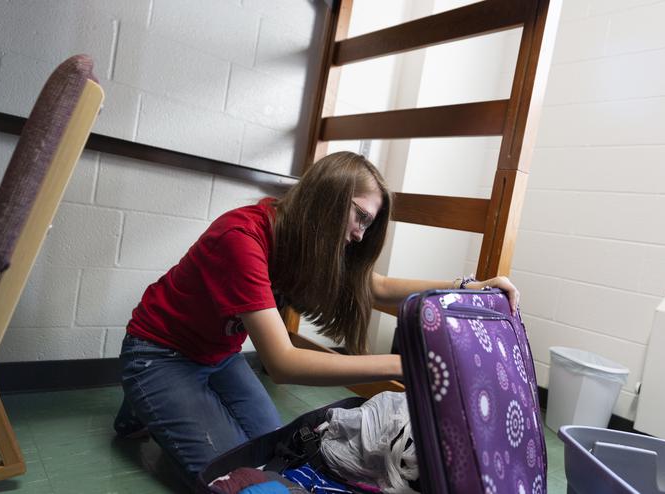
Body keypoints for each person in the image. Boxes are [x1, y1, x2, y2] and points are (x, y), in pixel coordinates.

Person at [113, 151, 519, 486]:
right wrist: (410, 365)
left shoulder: (307, 243)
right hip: (160, 352)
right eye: (359, 216)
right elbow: (284, 364)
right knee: (241, 477)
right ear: (327, 198)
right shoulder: (242, 238)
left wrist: (466, 288)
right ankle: (147, 395)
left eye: (368, 223)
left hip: (218, 356)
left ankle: (152, 404)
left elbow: (374, 287)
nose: (361, 234)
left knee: (273, 453)